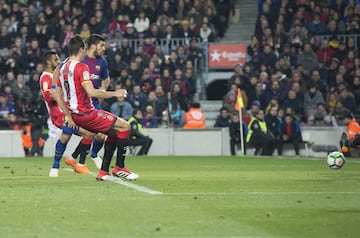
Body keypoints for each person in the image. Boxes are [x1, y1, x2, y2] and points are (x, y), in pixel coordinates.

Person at [54, 34, 138, 181]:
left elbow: (57, 94)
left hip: (75, 115)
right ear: (81, 50)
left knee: (112, 133)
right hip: (86, 113)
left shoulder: (63, 68)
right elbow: (91, 92)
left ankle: (103, 172)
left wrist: (68, 116)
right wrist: (114, 93)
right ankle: (119, 167)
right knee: (125, 127)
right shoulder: (82, 67)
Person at [40, 50, 95, 177]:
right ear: (48, 62)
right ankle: (63, 165)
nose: (58, 62)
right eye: (55, 60)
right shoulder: (46, 77)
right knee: (80, 134)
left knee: (88, 134)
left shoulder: (59, 75)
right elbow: (49, 97)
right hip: (59, 114)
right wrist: (59, 92)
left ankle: (69, 161)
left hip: (68, 111)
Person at [68, 34, 112, 169]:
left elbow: (106, 79)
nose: (104, 48)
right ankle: (80, 158)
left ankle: (86, 155)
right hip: (80, 103)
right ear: (93, 46)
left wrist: (102, 90)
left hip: (94, 102)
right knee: (94, 133)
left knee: (100, 134)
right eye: (101, 45)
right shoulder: (79, 59)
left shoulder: (102, 62)